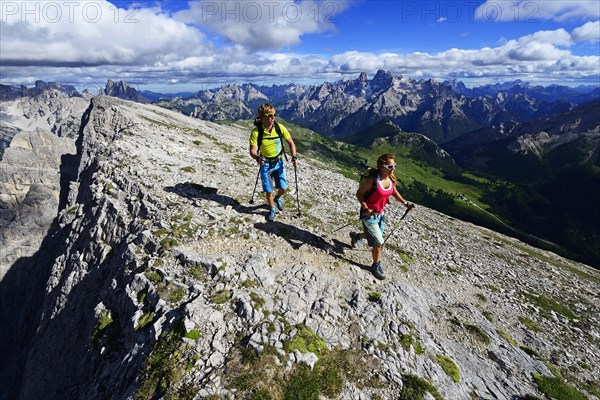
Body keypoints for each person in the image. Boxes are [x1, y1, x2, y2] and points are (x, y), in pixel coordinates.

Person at [350, 153, 414, 280]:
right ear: (381, 166)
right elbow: (359, 193)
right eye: (390, 166)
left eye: (394, 166)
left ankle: (356, 236)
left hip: (380, 214)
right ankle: (375, 265)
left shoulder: (391, 179)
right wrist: (365, 207)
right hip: (369, 215)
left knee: (375, 236)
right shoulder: (372, 181)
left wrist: (405, 203)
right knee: (378, 242)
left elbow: (394, 192)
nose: (393, 168)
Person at [249, 103, 298, 221]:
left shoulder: (279, 128)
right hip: (265, 163)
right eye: (270, 115)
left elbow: (291, 142)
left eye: (273, 115)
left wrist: (294, 157)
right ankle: (272, 209)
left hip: (278, 162)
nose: (273, 118)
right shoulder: (256, 132)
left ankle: (277, 198)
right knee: (268, 190)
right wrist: (257, 158)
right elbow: (252, 150)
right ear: (262, 118)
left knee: (283, 188)